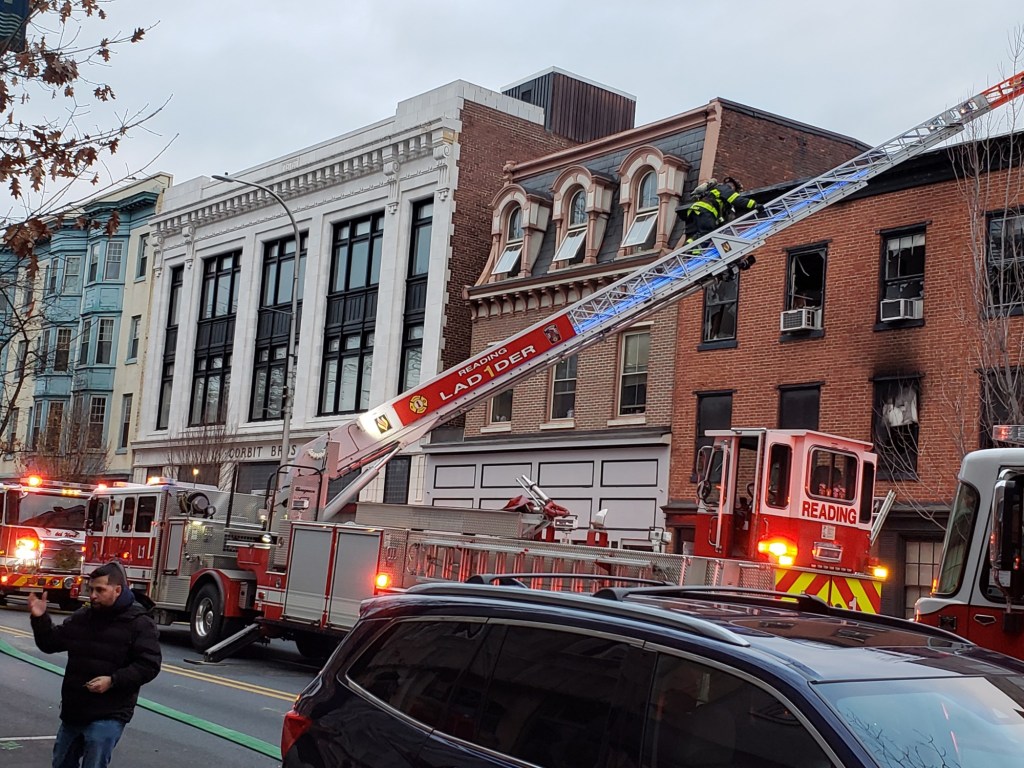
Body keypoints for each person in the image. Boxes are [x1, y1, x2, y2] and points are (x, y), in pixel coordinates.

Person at [29, 561, 161, 768]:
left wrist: (113, 681)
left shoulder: (139, 623)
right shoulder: (83, 618)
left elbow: (149, 665)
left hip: (110, 711)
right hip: (75, 710)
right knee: (62, 762)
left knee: (94, 762)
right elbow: (50, 643)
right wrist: (40, 619)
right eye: (91, 589)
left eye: (100, 590)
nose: (93, 595)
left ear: (117, 590)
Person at [678, 176, 760, 245]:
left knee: (696, 235)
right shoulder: (725, 189)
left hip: (694, 211)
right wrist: (754, 204)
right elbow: (737, 200)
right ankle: (693, 252)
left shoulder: (716, 192)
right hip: (705, 211)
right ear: (733, 186)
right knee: (707, 234)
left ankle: (688, 247)